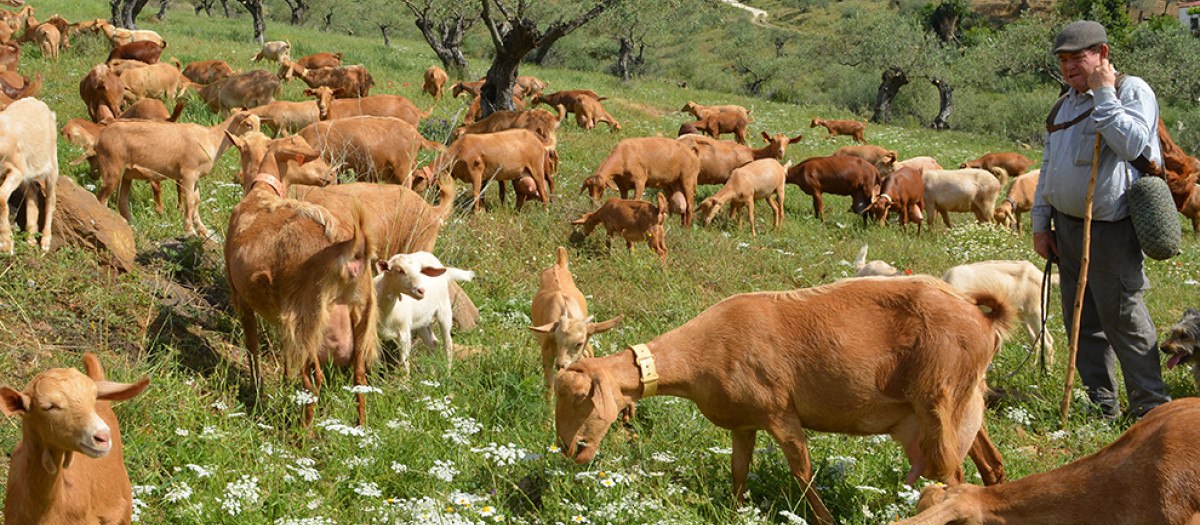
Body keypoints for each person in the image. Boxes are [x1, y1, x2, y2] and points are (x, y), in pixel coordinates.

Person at [1031, 20, 1170, 421]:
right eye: (1063, 60)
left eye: (1078, 57)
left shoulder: (1131, 91)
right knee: (1083, 320)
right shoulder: (1064, 104)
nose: (1070, 67)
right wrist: (1041, 224)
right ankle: (1102, 406)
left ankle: (1151, 412)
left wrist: (1104, 94)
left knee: (1124, 319)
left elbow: (1132, 145)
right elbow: (1048, 167)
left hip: (1112, 229)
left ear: (1103, 54)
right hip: (1068, 227)